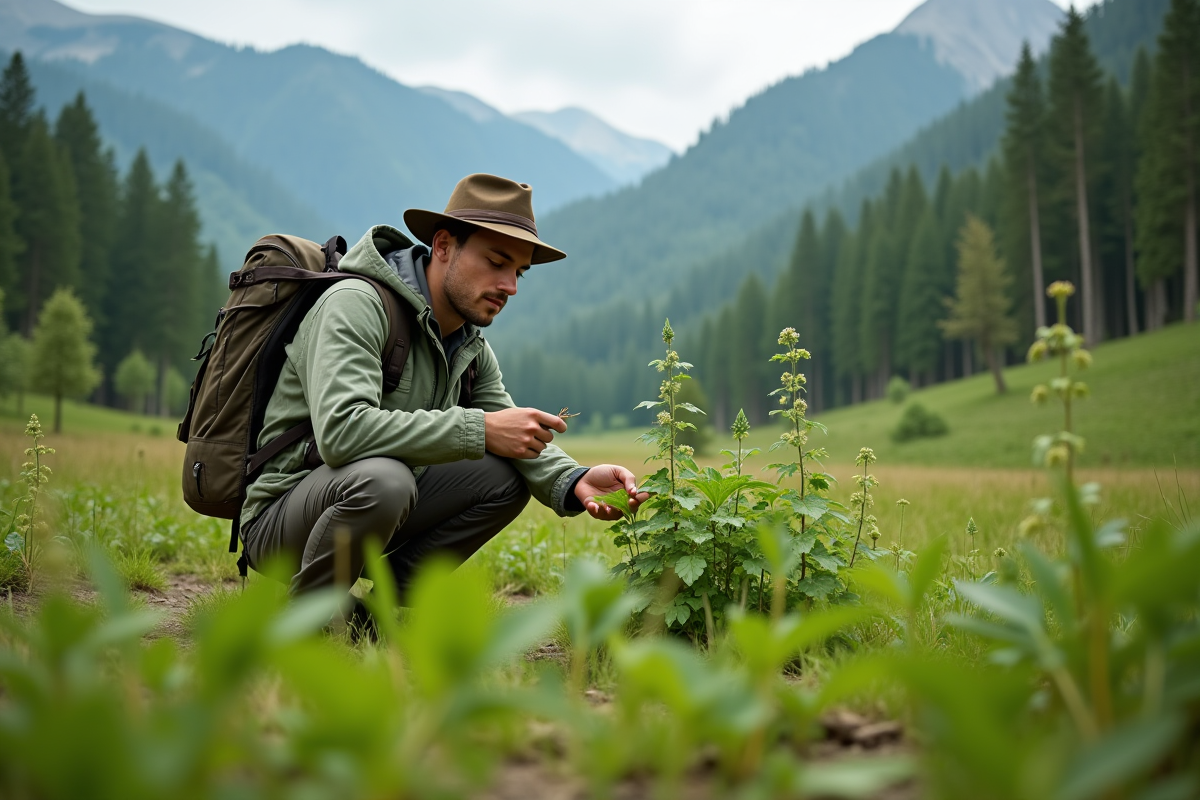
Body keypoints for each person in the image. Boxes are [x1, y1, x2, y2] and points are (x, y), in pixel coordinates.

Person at [239, 173, 647, 601]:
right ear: (444, 246)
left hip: (375, 499)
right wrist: (480, 429)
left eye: (519, 273)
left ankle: (379, 619)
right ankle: (309, 619)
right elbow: (342, 433)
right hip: (281, 516)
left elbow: (511, 430)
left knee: (506, 476)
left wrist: (576, 478)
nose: (509, 286)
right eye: (496, 261)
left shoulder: (469, 344)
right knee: (387, 481)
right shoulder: (356, 304)